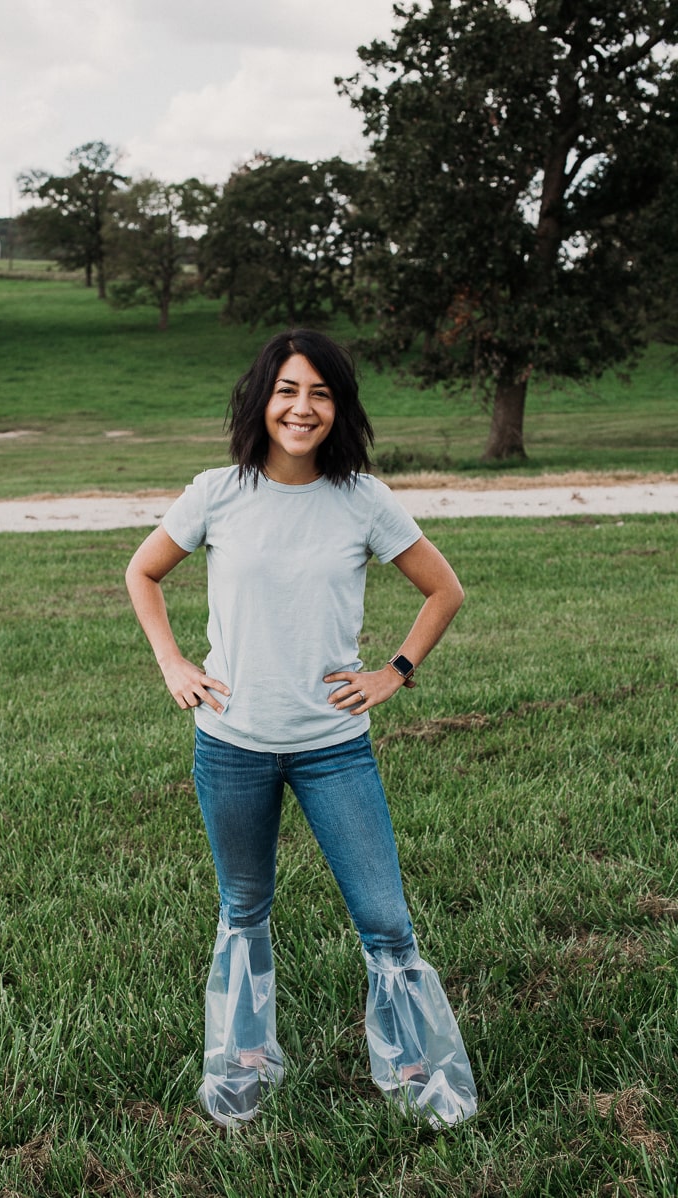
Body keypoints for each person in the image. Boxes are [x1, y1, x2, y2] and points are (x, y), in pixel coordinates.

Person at [125, 329, 477, 1130]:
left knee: (385, 917)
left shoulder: (362, 499)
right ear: (262, 399)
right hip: (231, 745)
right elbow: (142, 571)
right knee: (244, 907)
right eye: (288, 389)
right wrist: (175, 665)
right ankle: (243, 1063)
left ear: (338, 408)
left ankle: (420, 1071)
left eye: (320, 392)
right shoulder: (217, 491)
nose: (302, 406)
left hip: (333, 749)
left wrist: (396, 671)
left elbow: (444, 590)